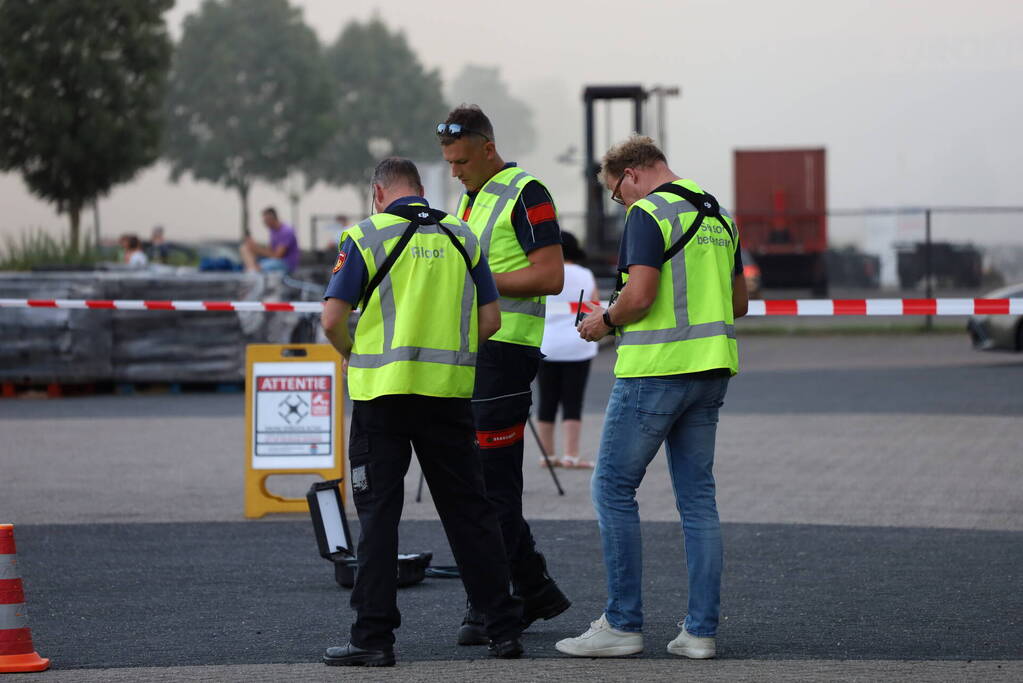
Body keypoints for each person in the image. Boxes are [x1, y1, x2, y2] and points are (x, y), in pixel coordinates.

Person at [319, 157, 524, 667]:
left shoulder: (364, 237)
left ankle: (373, 639)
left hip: (381, 397)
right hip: (447, 395)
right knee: (470, 511)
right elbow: (492, 319)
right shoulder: (462, 235)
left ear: (378, 192)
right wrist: (453, 354)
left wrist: (352, 354)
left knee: (379, 516)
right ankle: (502, 628)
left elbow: (331, 319)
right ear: (419, 189)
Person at [558, 135, 748, 659]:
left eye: (618, 194)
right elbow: (740, 302)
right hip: (712, 370)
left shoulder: (648, 215)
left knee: (612, 489)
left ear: (632, 174)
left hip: (655, 372)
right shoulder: (720, 214)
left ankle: (622, 623)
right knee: (698, 501)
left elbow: (639, 296)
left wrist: (605, 319)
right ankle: (700, 632)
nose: (622, 203)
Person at [437, 104, 570, 645]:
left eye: (462, 161)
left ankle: (500, 601)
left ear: (488, 148)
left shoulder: (527, 192)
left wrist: (478, 279)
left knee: (491, 486)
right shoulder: (471, 197)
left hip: (506, 354)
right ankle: (526, 590)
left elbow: (551, 274)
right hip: (473, 356)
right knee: (476, 484)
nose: (454, 172)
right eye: (449, 162)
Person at [536, 231, 599, 469]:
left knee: (547, 400)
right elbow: (592, 306)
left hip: (547, 344)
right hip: (578, 346)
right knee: (573, 401)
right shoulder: (585, 274)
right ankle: (571, 455)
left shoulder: (546, 273)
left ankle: (547, 455)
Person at [241, 206, 299, 273]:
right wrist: (254, 247)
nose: (264, 223)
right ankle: (252, 271)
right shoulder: (273, 231)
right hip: (276, 260)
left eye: (265, 220)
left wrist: (257, 249)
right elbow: (270, 251)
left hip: (286, 263)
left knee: (258, 266)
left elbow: (278, 255)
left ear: (271, 219)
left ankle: (253, 272)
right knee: (245, 248)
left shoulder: (286, 231)